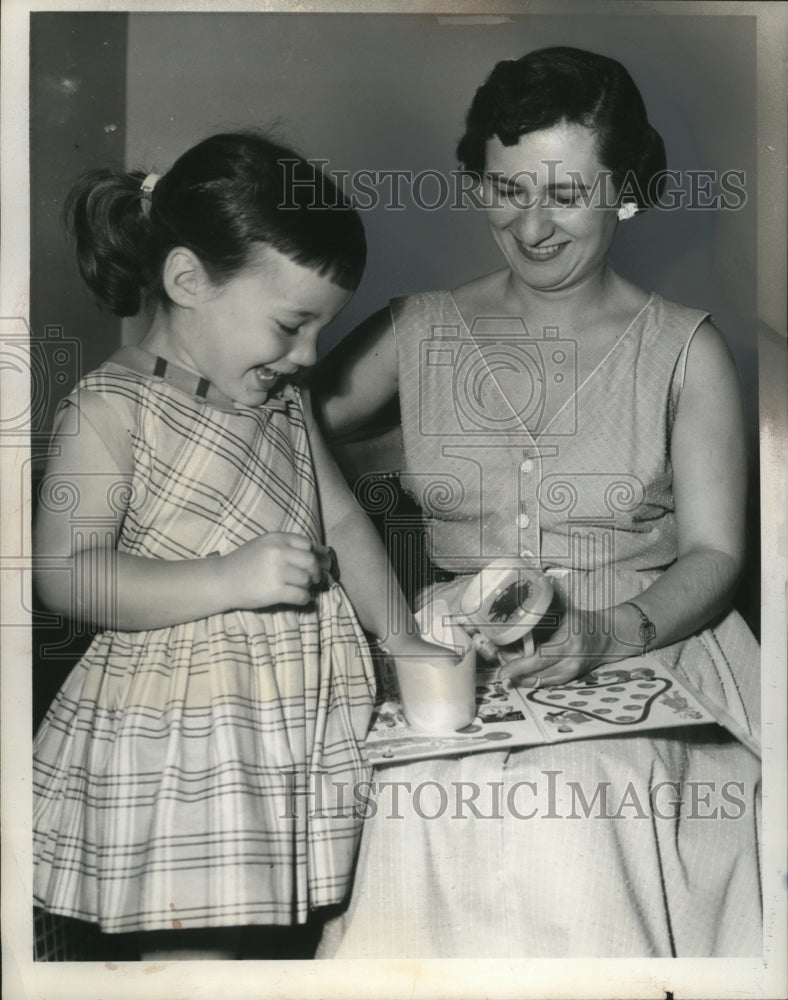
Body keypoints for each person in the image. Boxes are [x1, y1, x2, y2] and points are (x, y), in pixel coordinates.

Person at [311, 47, 761, 957]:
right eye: (506, 190)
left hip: (644, 644)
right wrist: (389, 461)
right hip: (455, 654)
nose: (532, 225)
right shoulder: (418, 327)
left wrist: (603, 634)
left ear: (625, 190)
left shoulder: (686, 351)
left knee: (576, 806)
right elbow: (278, 416)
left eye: (565, 194)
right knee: (411, 804)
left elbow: (714, 554)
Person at [32, 132, 446, 960]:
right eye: (292, 326)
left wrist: (401, 636)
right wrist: (223, 578)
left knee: (317, 929)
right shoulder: (111, 408)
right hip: (183, 740)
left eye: (320, 332)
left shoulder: (282, 408)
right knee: (194, 950)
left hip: (294, 723)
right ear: (187, 280)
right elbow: (64, 574)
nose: (309, 357)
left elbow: (346, 525)